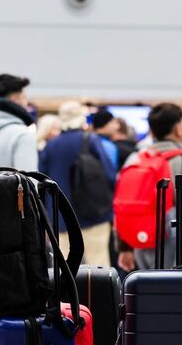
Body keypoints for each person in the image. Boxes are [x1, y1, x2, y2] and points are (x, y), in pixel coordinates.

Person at [117, 103, 182, 271]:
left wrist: (124, 247)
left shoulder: (136, 158)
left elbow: (124, 203)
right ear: (178, 128)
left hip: (140, 240)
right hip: (174, 242)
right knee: (175, 291)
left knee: (148, 289)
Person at [41, 102, 118, 265]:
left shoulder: (50, 146)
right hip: (94, 214)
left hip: (61, 217)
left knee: (64, 269)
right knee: (98, 268)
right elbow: (110, 175)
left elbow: (42, 183)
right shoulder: (91, 141)